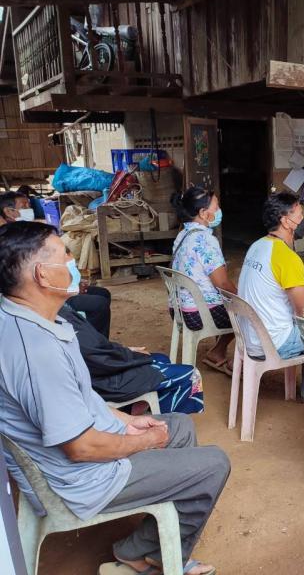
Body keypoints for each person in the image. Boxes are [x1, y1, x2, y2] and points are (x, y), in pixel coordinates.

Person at [0, 221, 228, 575]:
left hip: (85, 450)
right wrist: (143, 441)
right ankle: (147, 552)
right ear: (42, 274)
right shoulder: (36, 351)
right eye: (66, 254)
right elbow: (81, 448)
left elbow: (80, 397)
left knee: (179, 426)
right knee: (214, 463)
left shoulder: (33, 318)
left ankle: (151, 545)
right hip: (81, 479)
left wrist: (127, 420)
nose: (74, 261)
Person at [59, 301, 204, 414]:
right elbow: (99, 358)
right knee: (190, 374)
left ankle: (140, 408)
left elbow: (97, 348)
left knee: (162, 359)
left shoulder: (61, 312)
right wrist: (133, 356)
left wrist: (127, 350)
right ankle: (167, 423)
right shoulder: (63, 320)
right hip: (103, 381)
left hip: (99, 371)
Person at [239, 192, 304, 399]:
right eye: (299, 214)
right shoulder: (287, 258)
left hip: (249, 339)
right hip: (275, 343)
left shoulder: (257, 246)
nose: (302, 220)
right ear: (286, 221)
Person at [170, 186, 237, 374]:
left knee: (226, 301)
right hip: (198, 313)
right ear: (202, 213)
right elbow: (222, 284)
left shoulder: (183, 234)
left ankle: (218, 351)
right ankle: (229, 356)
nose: (219, 211)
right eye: (216, 208)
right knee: (246, 312)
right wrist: (244, 299)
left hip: (178, 309)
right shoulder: (206, 240)